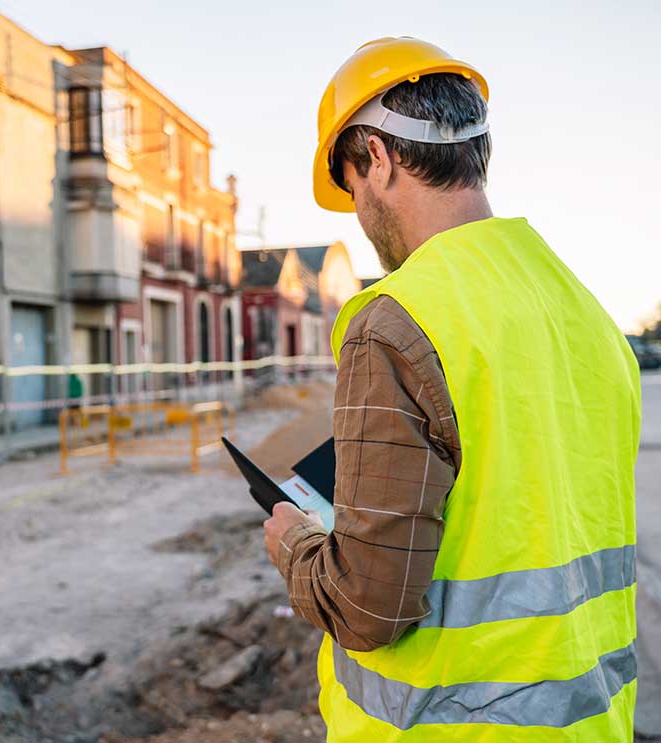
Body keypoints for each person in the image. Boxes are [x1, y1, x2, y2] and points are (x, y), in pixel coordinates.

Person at [262, 37, 640, 742]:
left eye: (349, 187)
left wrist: (295, 544)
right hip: (591, 722)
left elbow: (369, 605)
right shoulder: (585, 313)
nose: (357, 214)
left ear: (376, 155)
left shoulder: (397, 318)